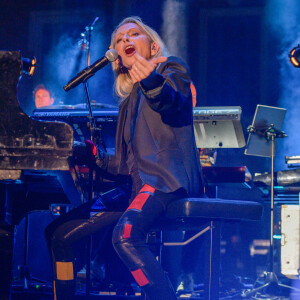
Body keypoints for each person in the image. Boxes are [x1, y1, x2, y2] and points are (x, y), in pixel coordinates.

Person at [45, 16, 204, 300]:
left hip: (165, 180)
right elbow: (121, 165)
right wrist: (92, 154)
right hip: (136, 186)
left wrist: (152, 81)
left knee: (126, 236)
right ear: (116, 58)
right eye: (119, 39)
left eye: (134, 34)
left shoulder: (171, 69)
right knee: (60, 234)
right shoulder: (129, 100)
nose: (126, 40)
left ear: (153, 47)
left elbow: (173, 101)